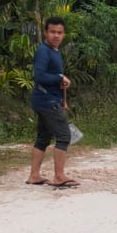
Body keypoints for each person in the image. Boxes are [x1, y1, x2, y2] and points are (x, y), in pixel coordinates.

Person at [27, 17, 78, 187]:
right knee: (64, 135)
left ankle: (34, 176)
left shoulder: (54, 51)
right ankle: (59, 176)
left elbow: (54, 78)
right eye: (52, 32)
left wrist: (62, 99)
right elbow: (39, 76)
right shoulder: (44, 51)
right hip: (46, 100)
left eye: (59, 32)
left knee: (44, 137)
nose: (56, 35)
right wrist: (60, 78)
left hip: (48, 99)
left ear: (63, 34)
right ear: (45, 33)